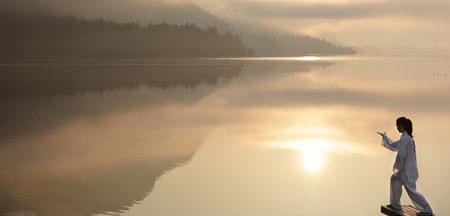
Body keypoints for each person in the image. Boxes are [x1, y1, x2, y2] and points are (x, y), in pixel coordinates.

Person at [377, 117, 433, 216]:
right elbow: (394, 145)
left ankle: (427, 209)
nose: (396, 128)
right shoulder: (404, 138)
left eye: (397, 126)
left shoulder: (407, 139)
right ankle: (395, 204)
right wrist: (385, 137)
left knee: (412, 191)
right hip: (402, 170)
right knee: (394, 180)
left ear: (401, 126)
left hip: (406, 171)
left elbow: (401, 154)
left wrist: (396, 168)